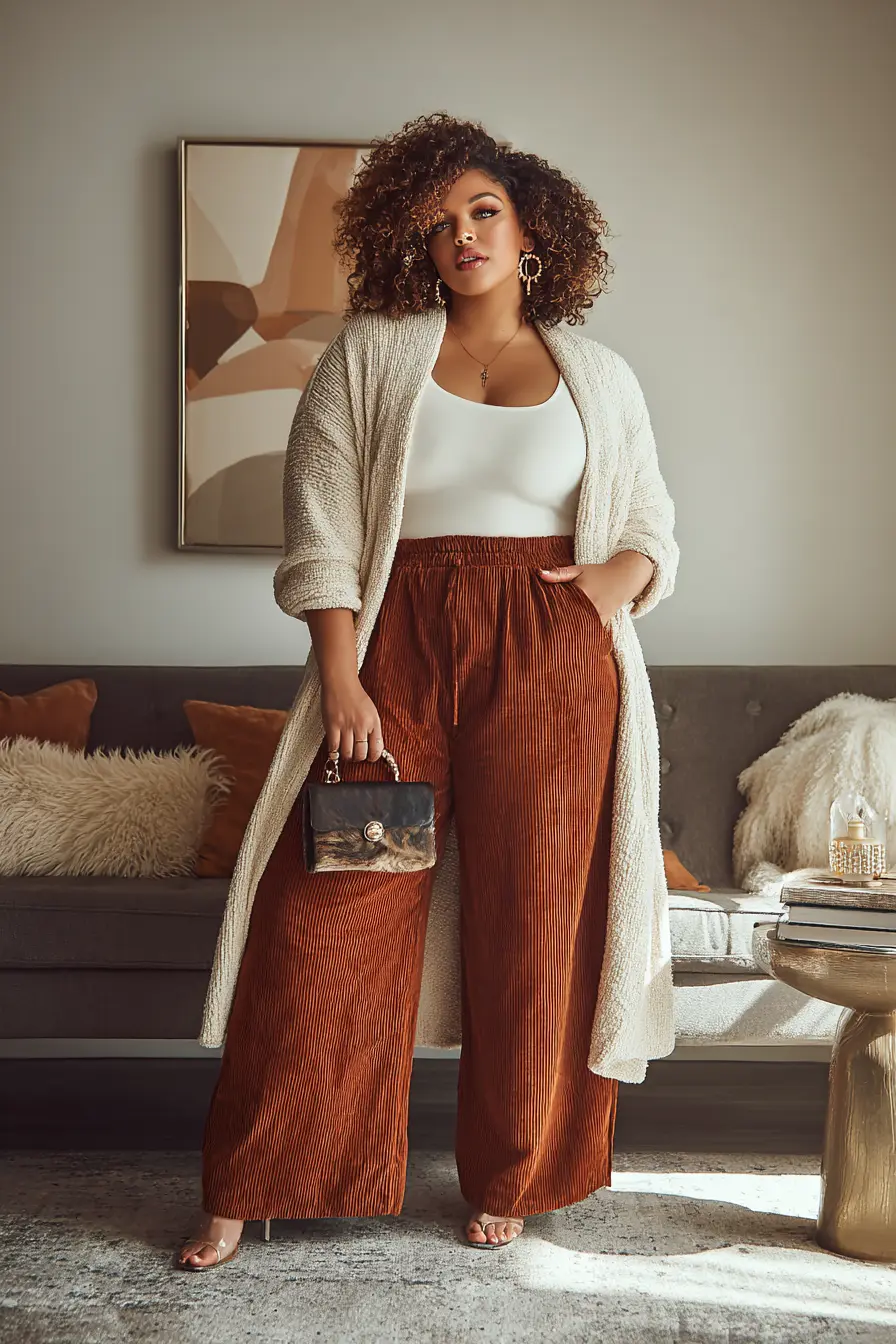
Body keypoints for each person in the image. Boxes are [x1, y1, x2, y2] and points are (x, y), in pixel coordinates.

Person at [176, 110, 679, 1270]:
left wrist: (613, 582)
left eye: (483, 211)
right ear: (413, 240)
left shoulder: (597, 376)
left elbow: (648, 520)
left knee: (535, 922)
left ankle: (511, 1175)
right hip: (395, 657)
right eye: (439, 220)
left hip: (552, 665)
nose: (463, 235)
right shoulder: (371, 354)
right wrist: (342, 677)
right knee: (331, 919)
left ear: (529, 228)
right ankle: (249, 1184)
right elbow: (319, 524)